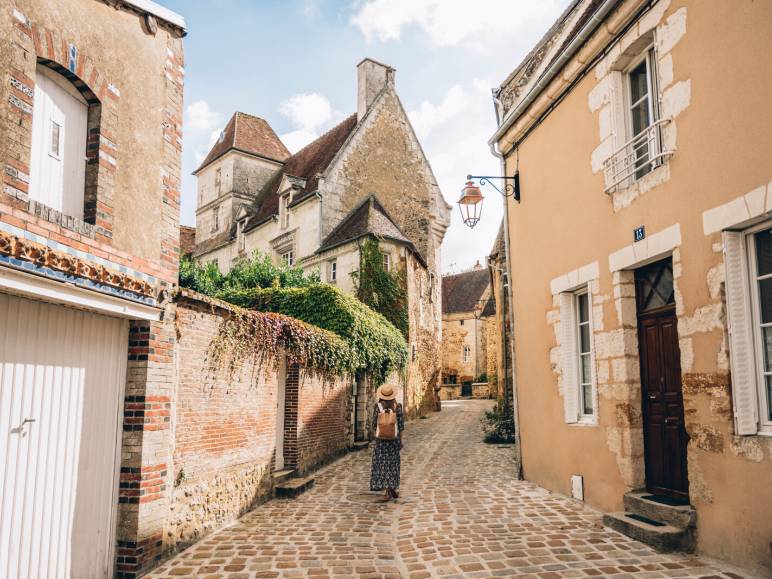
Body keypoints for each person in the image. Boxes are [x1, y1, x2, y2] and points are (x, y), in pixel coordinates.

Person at [370, 384, 404, 500]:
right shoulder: (398, 407)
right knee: (392, 465)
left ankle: (387, 492)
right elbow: (401, 426)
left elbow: (374, 425)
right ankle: (392, 488)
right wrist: (400, 441)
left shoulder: (378, 407)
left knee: (382, 465)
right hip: (394, 441)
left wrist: (377, 435)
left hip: (381, 441)